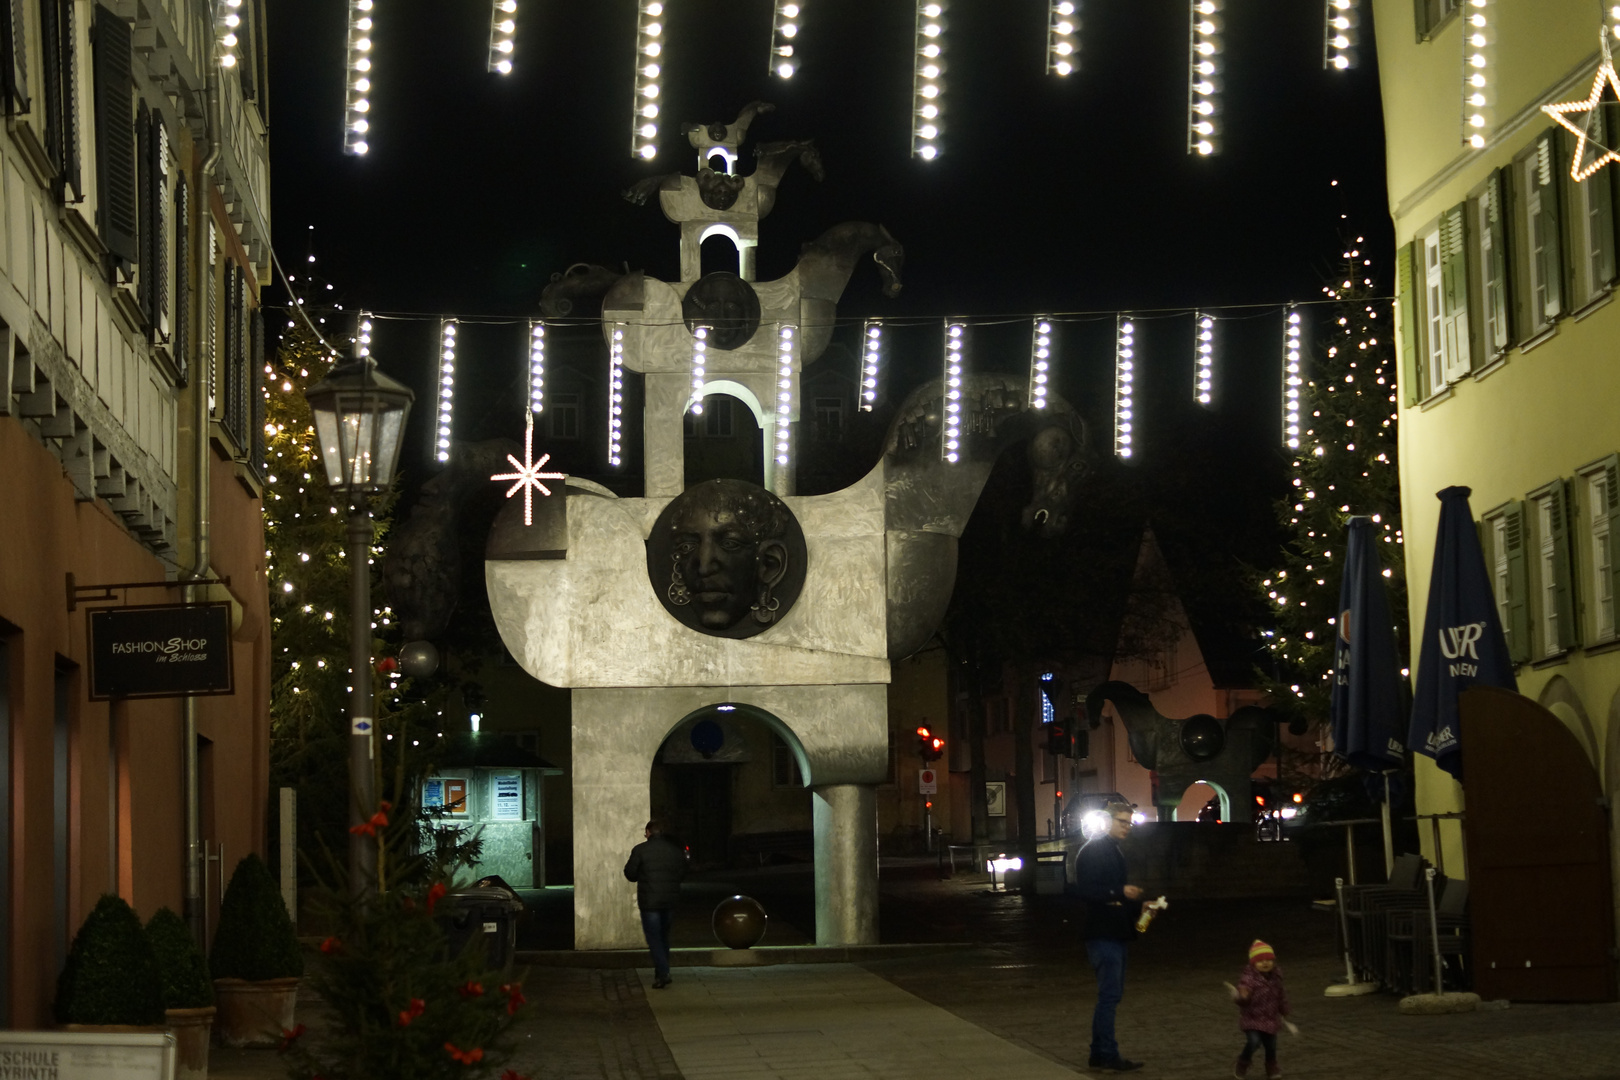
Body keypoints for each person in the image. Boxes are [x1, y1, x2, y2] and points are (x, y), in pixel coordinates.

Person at [1073, 801, 1145, 1073]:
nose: (1127, 827)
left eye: (1129, 822)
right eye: (1122, 822)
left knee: (1109, 995)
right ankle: (1108, 1053)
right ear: (1107, 821)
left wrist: (1138, 905)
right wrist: (1119, 893)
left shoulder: (1110, 849)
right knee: (1109, 996)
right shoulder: (1095, 850)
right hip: (1103, 932)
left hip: (1113, 931)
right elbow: (1086, 890)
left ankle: (1098, 1053)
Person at [623, 819, 687, 989]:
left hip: (649, 901)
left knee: (654, 938)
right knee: (664, 937)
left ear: (648, 832)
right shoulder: (674, 850)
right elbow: (682, 873)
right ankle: (661, 974)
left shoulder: (640, 850)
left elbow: (630, 873)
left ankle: (663, 972)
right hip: (670, 900)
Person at [1225, 939, 1297, 1079]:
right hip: (1252, 1018)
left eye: (1268, 960)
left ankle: (1271, 1065)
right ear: (1253, 963)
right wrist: (1241, 997)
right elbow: (1242, 1000)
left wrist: (1284, 1009)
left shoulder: (1276, 978)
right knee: (1254, 1041)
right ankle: (1243, 1062)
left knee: (1271, 1046)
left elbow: (1280, 996)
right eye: (1260, 960)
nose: (1265, 963)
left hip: (1270, 1019)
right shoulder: (1248, 979)